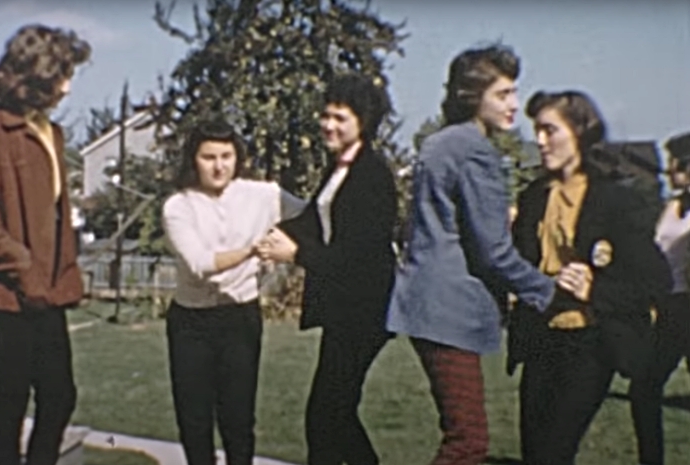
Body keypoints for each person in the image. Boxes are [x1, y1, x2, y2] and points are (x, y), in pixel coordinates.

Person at [384, 44, 591, 465]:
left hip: (423, 304)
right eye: (503, 94)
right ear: (471, 96)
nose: (515, 105)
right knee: (468, 442)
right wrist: (550, 291)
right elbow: (493, 252)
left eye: (514, 92)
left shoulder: (438, 143)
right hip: (450, 310)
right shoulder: (476, 152)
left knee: (462, 434)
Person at [509, 90, 671, 465]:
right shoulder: (535, 196)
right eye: (537, 130)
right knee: (534, 454)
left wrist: (596, 287)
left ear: (580, 131)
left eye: (550, 130)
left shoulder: (613, 199)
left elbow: (654, 279)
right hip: (540, 338)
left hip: (589, 344)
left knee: (554, 452)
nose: (540, 140)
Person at [0, 25, 90, 465]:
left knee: (59, 395)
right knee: (11, 399)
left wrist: (62, 272)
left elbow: (52, 214)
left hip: (47, 293)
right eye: (62, 74)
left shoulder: (52, 132)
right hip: (5, 294)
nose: (68, 85)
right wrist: (23, 266)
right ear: (37, 75)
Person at [256, 73, 397, 465]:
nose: (328, 125)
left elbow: (357, 255)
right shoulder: (339, 169)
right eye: (326, 115)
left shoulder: (372, 176)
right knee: (332, 415)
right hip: (344, 310)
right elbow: (311, 222)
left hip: (364, 312)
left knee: (327, 415)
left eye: (340, 117)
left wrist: (296, 253)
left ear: (363, 123)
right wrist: (270, 237)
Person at [162, 120, 304, 465]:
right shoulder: (178, 206)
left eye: (226, 156)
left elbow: (313, 216)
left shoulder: (263, 195)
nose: (219, 165)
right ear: (193, 160)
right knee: (194, 421)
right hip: (191, 323)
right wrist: (253, 250)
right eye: (208, 157)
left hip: (239, 317)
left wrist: (289, 245)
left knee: (239, 419)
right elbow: (200, 263)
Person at [628, 132, 690, 465]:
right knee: (644, 390)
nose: (669, 171)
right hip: (669, 307)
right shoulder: (671, 207)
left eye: (674, 164)